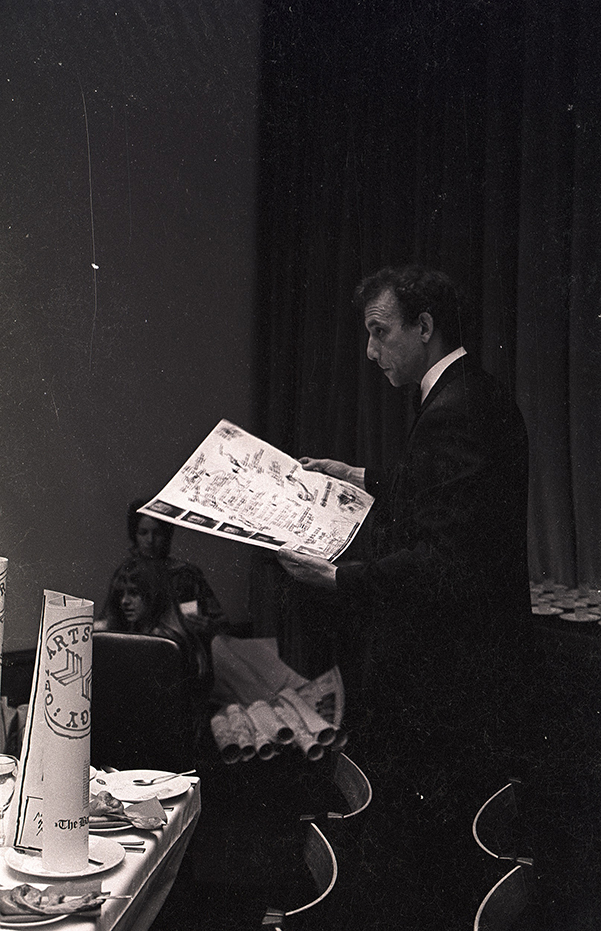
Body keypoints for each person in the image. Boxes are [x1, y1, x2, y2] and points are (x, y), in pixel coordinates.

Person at [276, 265, 545, 929]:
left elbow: (444, 560)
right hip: (481, 673)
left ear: (424, 327)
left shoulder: (451, 411)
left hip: (451, 683)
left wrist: (335, 578)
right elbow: (445, 494)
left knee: (426, 867)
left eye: (380, 332)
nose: (371, 351)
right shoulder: (471, 393)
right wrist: (357, 476)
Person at [127, 498, 228, 641]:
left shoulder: (186, 574)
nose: (150, 540)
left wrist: (209, 626)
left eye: (157, 533)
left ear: (167, 535)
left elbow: (222, 624)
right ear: (134, 535)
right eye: (143, 533)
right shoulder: (126, 573)